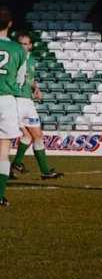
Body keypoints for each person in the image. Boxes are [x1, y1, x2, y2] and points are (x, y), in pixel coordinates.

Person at [10, 33, 63, 180]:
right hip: (16, 101)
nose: (24, 46)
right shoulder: (14, 59)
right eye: (21, 44)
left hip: (28, 102)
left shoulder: (32, 60)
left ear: (31, 45)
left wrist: (36, 88)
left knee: (35, 136)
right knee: (20, 136)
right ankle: (42, 170)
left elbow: (30, 79)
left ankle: (19, 165)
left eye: (26, 44)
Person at [0, 7, 26, 206]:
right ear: (10, 25)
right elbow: (20, 79)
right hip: (6, 99)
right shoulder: (18, 49)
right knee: (3, 148)